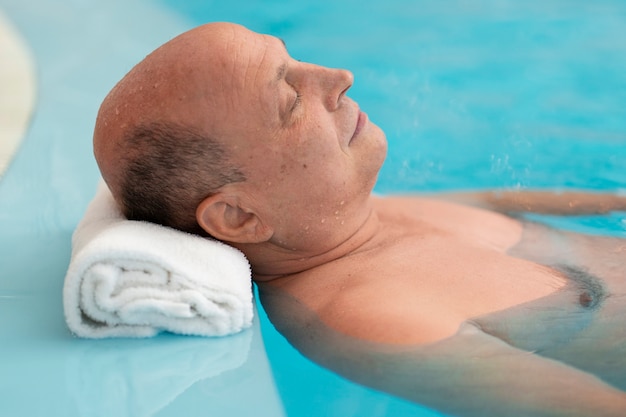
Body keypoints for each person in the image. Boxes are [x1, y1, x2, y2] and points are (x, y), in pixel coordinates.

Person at [94, 22, 626, 417]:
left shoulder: (371, 214)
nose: (339, 77)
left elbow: (548, 200)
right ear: (239, 215)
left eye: (296, 60)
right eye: (290, 99)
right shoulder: (370, 318)